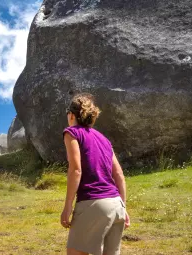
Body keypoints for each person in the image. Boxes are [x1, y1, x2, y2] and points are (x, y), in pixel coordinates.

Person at [60, 93, 130, 255]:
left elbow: (76, 170)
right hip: (116, 204)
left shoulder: (72, 133)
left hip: (93, 203)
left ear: (71, 115)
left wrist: (68, 206)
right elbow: (119, 174)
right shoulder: (104, 139)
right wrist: (124, 207)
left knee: (75, 252)